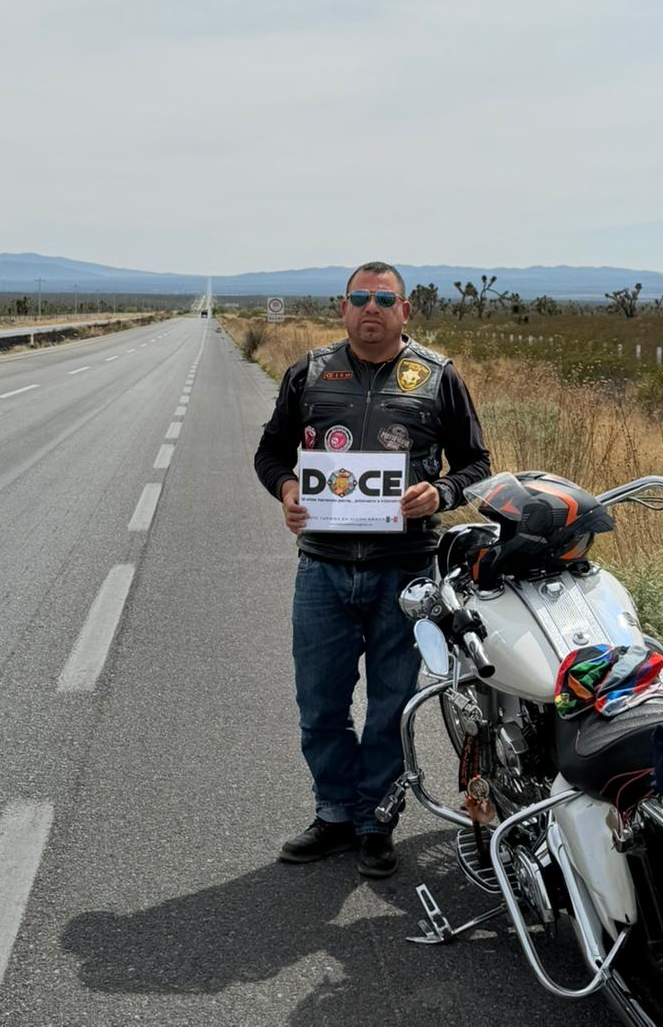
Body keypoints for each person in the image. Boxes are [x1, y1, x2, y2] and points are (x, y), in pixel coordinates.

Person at [254, 261, 490, 877]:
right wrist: (286, 488)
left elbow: (477, 464)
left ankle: (375, 821)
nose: (371, 308)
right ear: (343, 307)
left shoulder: (437, 377)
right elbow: (271, 451)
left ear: (404, 311)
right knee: (320, 704)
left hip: (404, 574)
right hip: (323, 570)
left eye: (385, 300)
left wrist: (441, 492)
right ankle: (334, 814)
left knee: (391, 707)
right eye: (360, 297)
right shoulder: (308, 373)